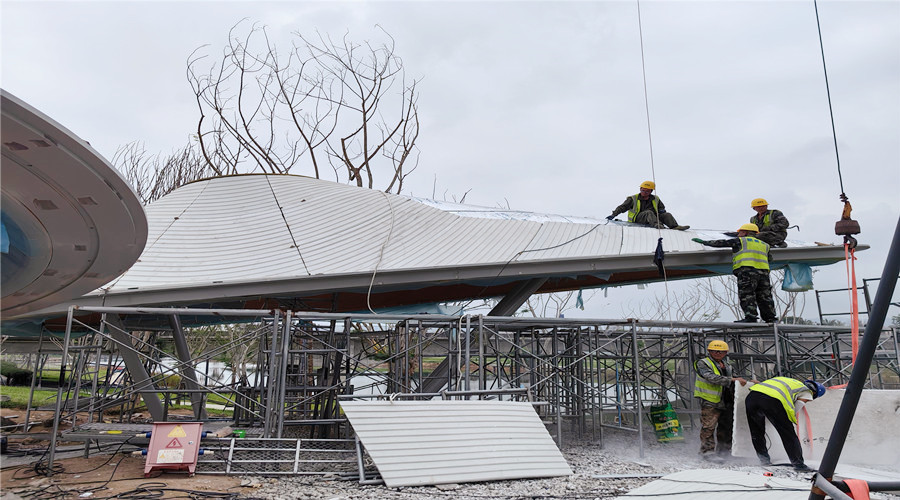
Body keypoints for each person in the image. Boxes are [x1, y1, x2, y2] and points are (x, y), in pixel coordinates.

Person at [692, 223, 777, 323]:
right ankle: (770, 318)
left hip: (747, 271)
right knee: (765, 296)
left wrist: (705, 242)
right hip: (764, 274)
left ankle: (751, 317)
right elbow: (770, 258)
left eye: (740, 232)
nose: (738, 234)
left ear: (745, 232)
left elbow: (721, 243)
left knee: (747, 294)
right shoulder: (765, 245)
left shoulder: (741, 241)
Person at [745, 376, 826, 471]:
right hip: (772, 400)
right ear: (815, 393)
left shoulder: (790, 381)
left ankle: (764, 460)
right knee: (789, 435)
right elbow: (796, 408)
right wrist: (788, 421)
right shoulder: (807, 392)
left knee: (757, 432)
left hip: (752, 398)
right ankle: (799, 465)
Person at [694, 340, 749, 460]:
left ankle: (724, 452)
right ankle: (707, 453)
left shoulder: (727, 365)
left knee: (726, 426)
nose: (718, 353)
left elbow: (735, 377)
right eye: (715, 351)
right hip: (710, 400)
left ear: (725, 352)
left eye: (721, 351)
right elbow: (711, 377)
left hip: (726, 400)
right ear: (709, 351)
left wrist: (747, 381)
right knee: (708, 427)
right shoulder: (703, 363)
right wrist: (732, 380)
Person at [607, 181, 689, 230]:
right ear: (640, 189)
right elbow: (622, 207)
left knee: (667, 214)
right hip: (638, 219)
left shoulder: (655, 198)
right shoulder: (633, 198)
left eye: (646, 191)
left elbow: (661, 208)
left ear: (651, 191)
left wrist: (662, 211)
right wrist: (613, 214)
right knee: (648, 212)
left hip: (653, 218)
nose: (644, 192)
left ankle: (675, 227)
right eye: (642, 190)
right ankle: (658, 225)